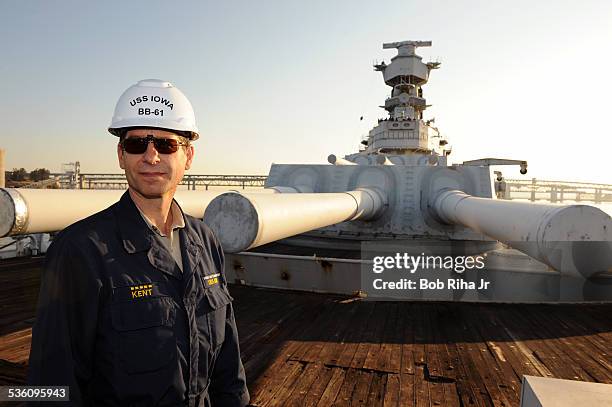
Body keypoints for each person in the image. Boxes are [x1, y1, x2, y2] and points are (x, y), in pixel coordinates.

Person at [27, 79, 250, 406]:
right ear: (121, 155)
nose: (151, 156)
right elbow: (49, 387)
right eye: (136, 144)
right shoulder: (80, 251)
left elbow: (228, 366)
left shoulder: (206, 242)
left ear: (188, 155)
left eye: (166, 144)